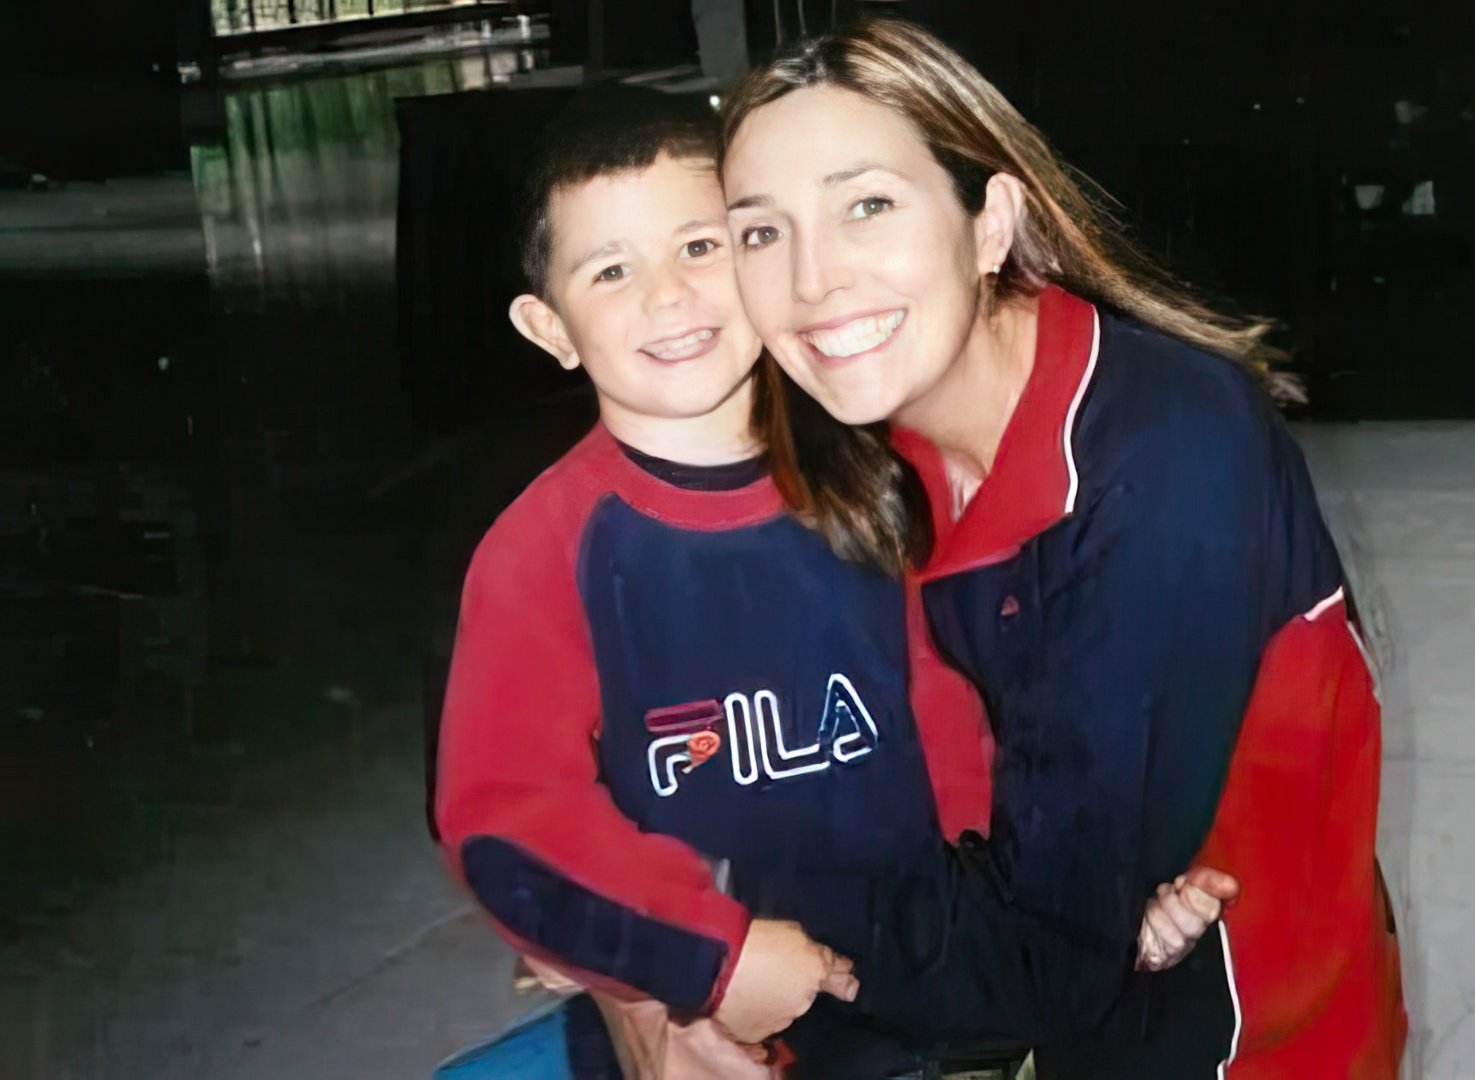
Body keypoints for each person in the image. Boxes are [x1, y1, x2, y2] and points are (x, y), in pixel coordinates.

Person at [430, 86, 1232, 1079]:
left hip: (923, 1009)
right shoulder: (544, 552)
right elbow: (507, 821)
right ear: (548, 327)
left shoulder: (868, 476)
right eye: (610, 270)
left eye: (700, 247)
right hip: (708, 1034)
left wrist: (1110, 896)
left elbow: (974, 741)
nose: (668, 298)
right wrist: (705, 961)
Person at [720, 17, 1407, 1077]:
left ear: (989, 222)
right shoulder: (864, 450)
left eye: (867, 205)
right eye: (761, 232)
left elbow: (1049, 954)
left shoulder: (1163, 457)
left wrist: (708, 956)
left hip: (1235, 1043)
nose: (813, 280)